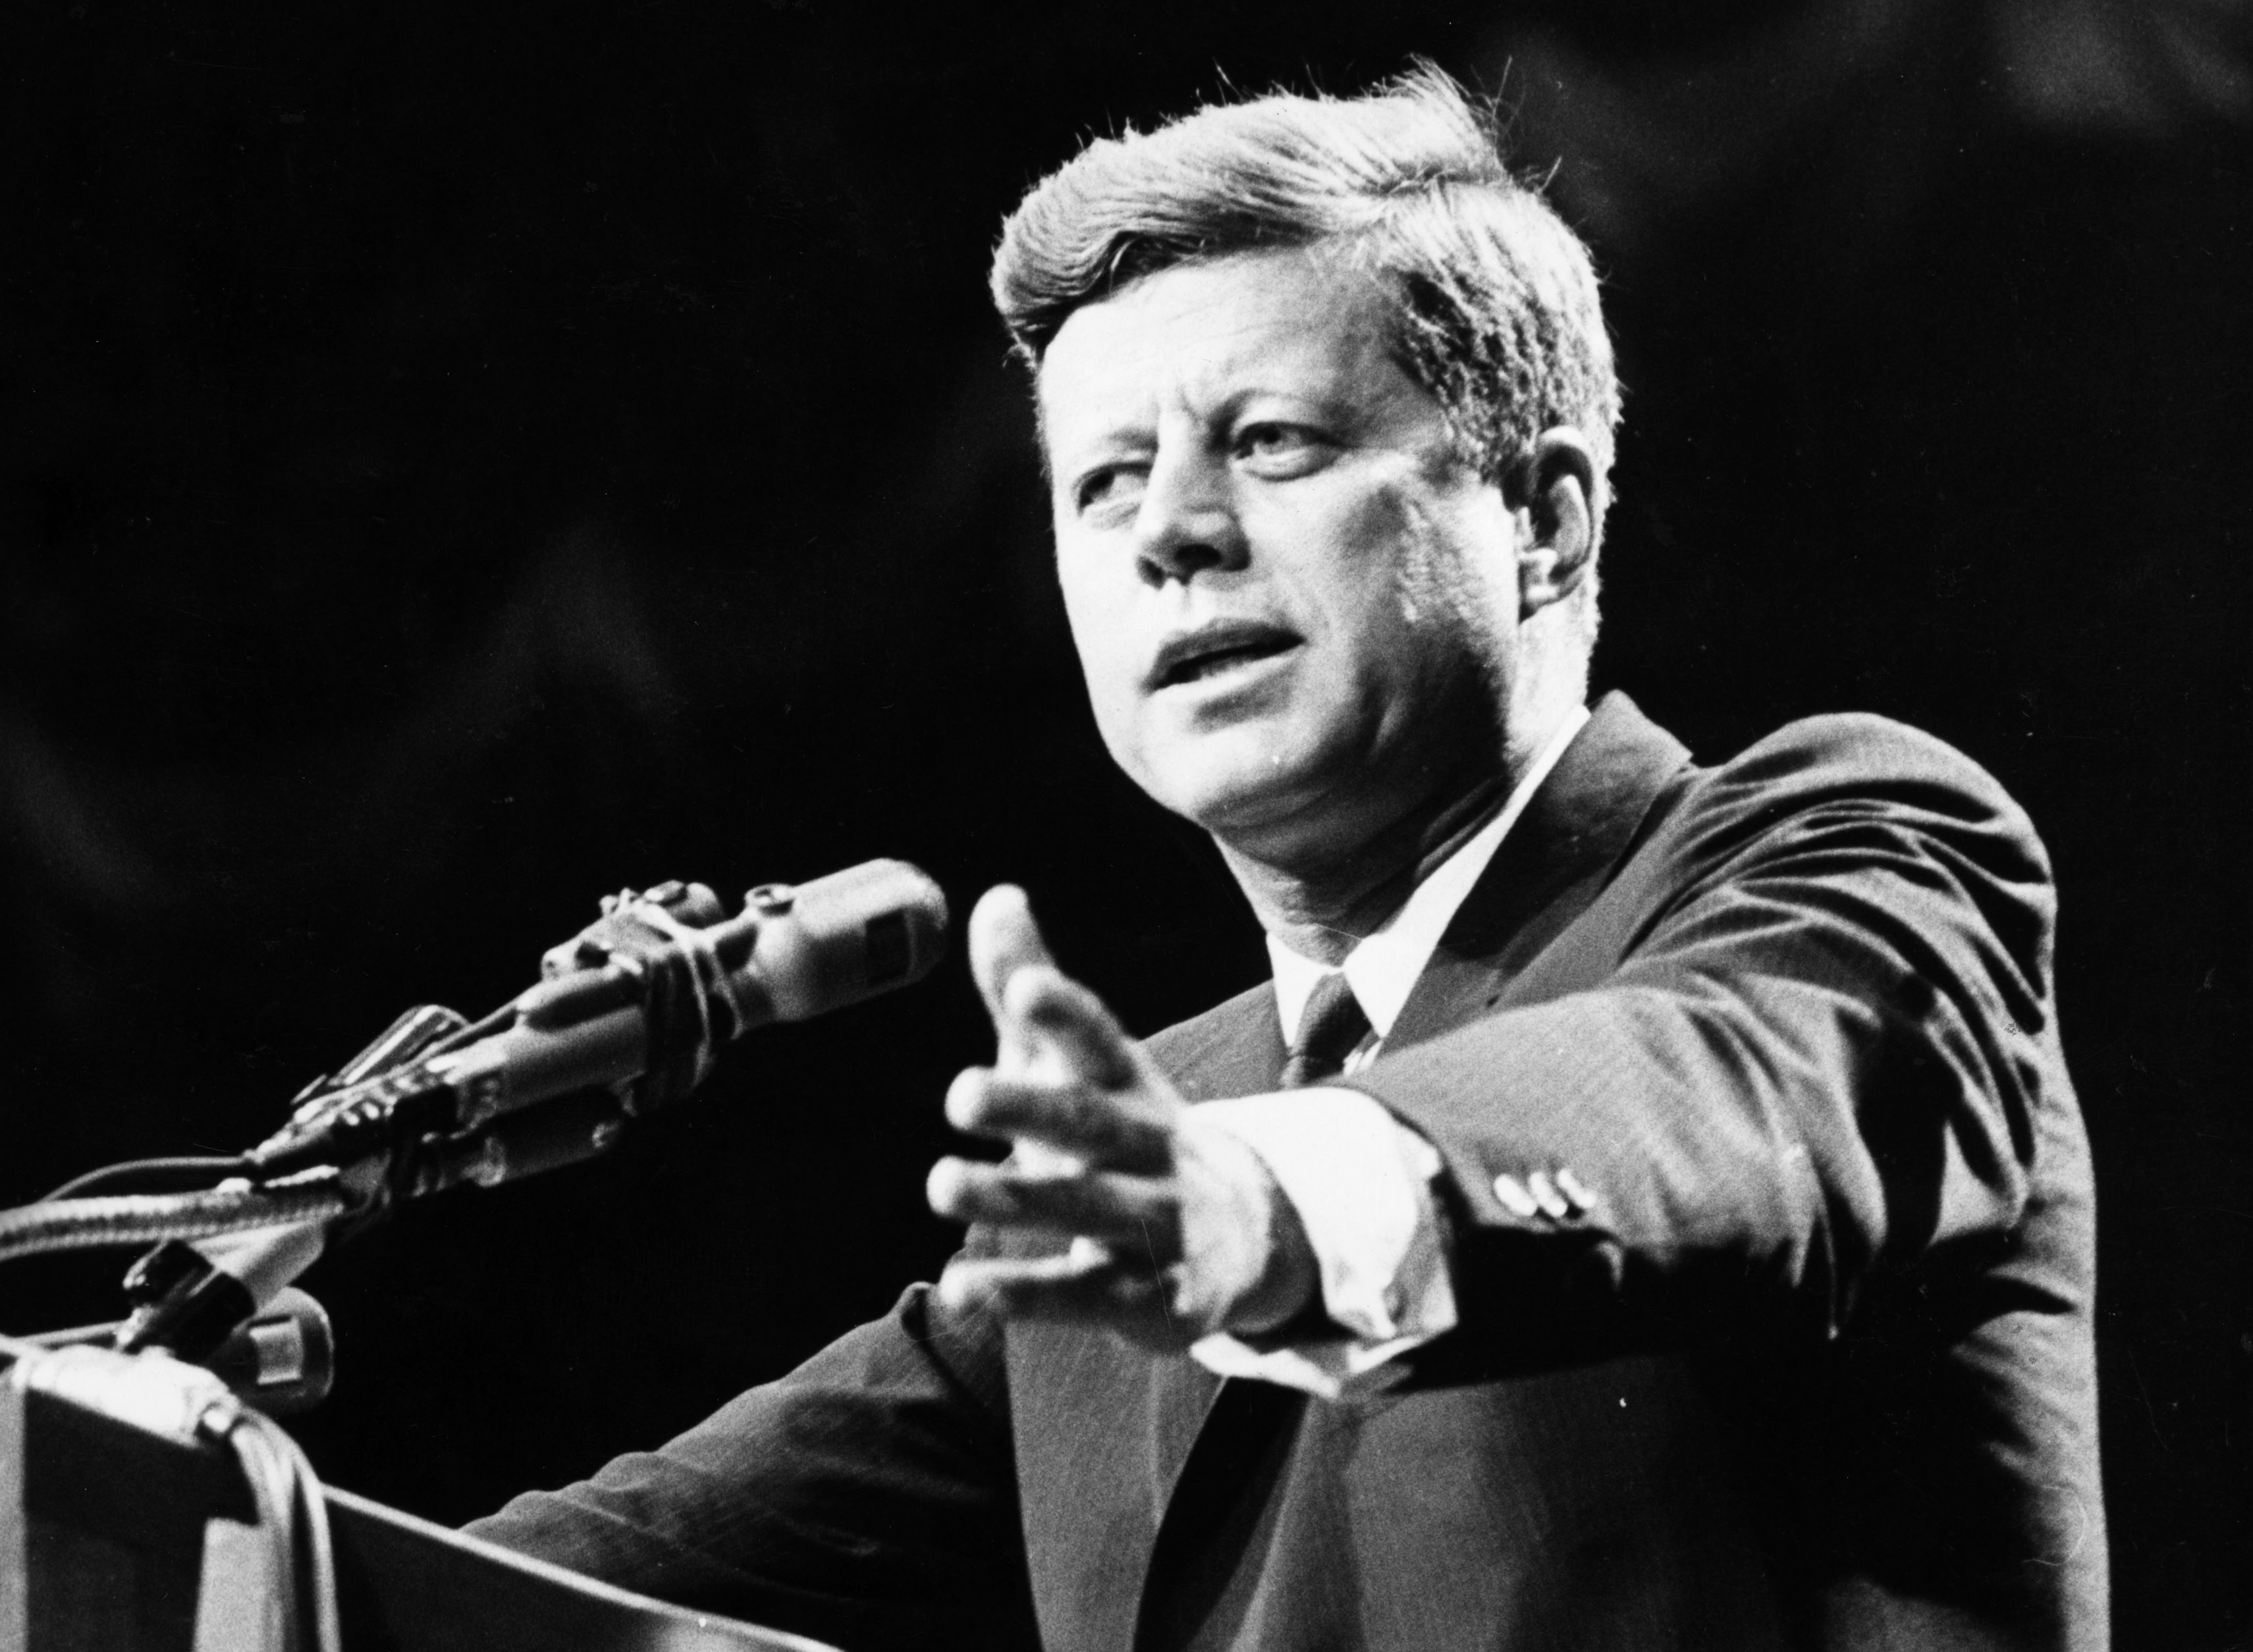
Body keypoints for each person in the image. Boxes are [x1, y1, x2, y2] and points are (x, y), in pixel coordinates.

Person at [468, 68, 2107, 1652]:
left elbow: (1715, 1090)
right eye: (1104, 480)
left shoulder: (1848, 856)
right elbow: (553, 1585)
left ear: (1544, 522)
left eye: (1268, 442)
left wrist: (1268, 1205)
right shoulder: (1146, 1161)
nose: (1164, 532)